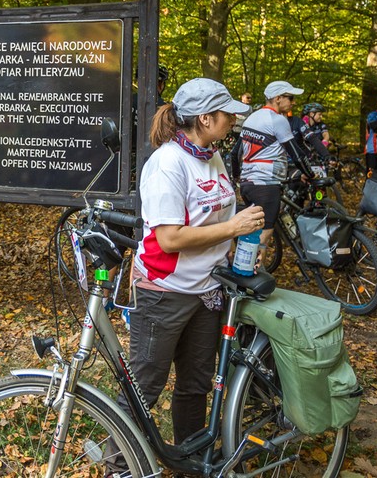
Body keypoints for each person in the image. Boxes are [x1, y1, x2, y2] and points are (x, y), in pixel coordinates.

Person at [106, 78, 264, 477]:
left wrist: (241, 246)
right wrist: (232, 229)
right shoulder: (167, 163)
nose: (233, 120)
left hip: (208, 291)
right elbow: (170, 238)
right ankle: (118, 467)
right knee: (144, 388)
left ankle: (190, 462)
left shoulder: (211, 156)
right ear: (206, 118)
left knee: (195, 386)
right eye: (227, 113)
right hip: (164, 291)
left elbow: (217, 216)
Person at [238, 80, 314, 267]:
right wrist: (310, 175)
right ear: (278, 98)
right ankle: (251, 276)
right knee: (264, 235)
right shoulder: (278, 120)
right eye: (290, 98)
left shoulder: (252, 118)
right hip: (266, 184)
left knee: (253, 230)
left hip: (248, 184)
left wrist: (236, 176)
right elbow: (295, 153)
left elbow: (235, 153)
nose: (293, 103)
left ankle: (244, 273)